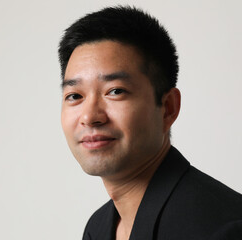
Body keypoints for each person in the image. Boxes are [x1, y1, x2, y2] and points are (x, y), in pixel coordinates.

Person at [58, 6, 242, 240]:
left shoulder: (222, 229)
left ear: (168, 108)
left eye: (115, 91)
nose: (90, 116)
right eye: (75, 96)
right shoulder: (98, 228)